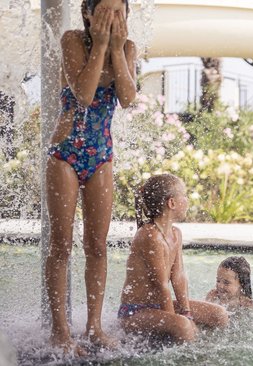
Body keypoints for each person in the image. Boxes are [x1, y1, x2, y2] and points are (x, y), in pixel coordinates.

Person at [44, 0, 137, 354]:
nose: (114, 18)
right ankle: (60, 332)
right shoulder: (72, 40)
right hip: (66, 151)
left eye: (119, 11)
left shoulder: (127, 48)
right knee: (61, 245)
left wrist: (115, 48)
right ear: (87, 13)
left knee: (97, 246)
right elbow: (83, 95)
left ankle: (94, 327)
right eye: (105, 11)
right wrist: (100, 45)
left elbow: (127, 98)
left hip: (101, 156)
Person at [119, 174, 229, 343]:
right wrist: (177, 321)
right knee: (183, 326)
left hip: (158, 306)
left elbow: (178, 276)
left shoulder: (176, 233)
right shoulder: (150, 236)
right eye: (184, 196)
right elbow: (161, 285)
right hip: (136, 312)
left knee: (219, 314)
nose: (187, 201)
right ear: (171, 203)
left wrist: (187, 313)